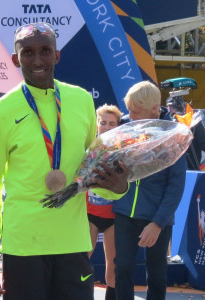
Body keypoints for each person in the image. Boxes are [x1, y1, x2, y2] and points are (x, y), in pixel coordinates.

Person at [0, 22, 129, 300]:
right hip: (23, 247)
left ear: (57, 55)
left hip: (72, 246)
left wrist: (118, 188)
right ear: (15, 59)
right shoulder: (1, 112)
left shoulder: (81, 100)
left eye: (45, 51)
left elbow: (92, 174)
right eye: (28, 53)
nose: (37, 60)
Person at [113, 81, 187, 300]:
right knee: (123, 268)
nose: (130, 116)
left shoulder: (175, 135)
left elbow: (176, 184)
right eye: (129, 110)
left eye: (136, 112)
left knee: (156, 275)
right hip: (125, 212)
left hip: (157, 218)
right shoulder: (125, 125)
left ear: (155, 109)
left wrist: (157, 223)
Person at [87, 104, 122, 300]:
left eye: (112, 123)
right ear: (96, 124)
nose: (107, 127)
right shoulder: (88, 147)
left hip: (114, 215)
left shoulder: (123, 149)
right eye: (103, 123)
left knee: (113, 267)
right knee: (82, 262)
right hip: (89, 213)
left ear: (118, 126)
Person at [167, 96, 205, 170]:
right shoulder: (167, 122)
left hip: (183, 169)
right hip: (178, 170)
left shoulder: (193, 123)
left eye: (172, 107)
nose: (170, 110)